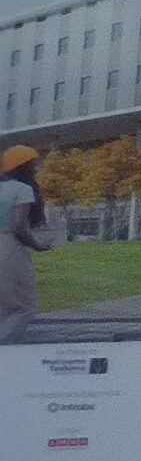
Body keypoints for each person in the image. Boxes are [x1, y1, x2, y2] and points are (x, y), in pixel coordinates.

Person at [0, 146, 48, 344]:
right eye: (33, 163)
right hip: (8, 246)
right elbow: (18, 226)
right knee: (22, 306)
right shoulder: (23, 189)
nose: (37, 167)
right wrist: (37, 245)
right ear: (24, 166)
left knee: (3, 305)